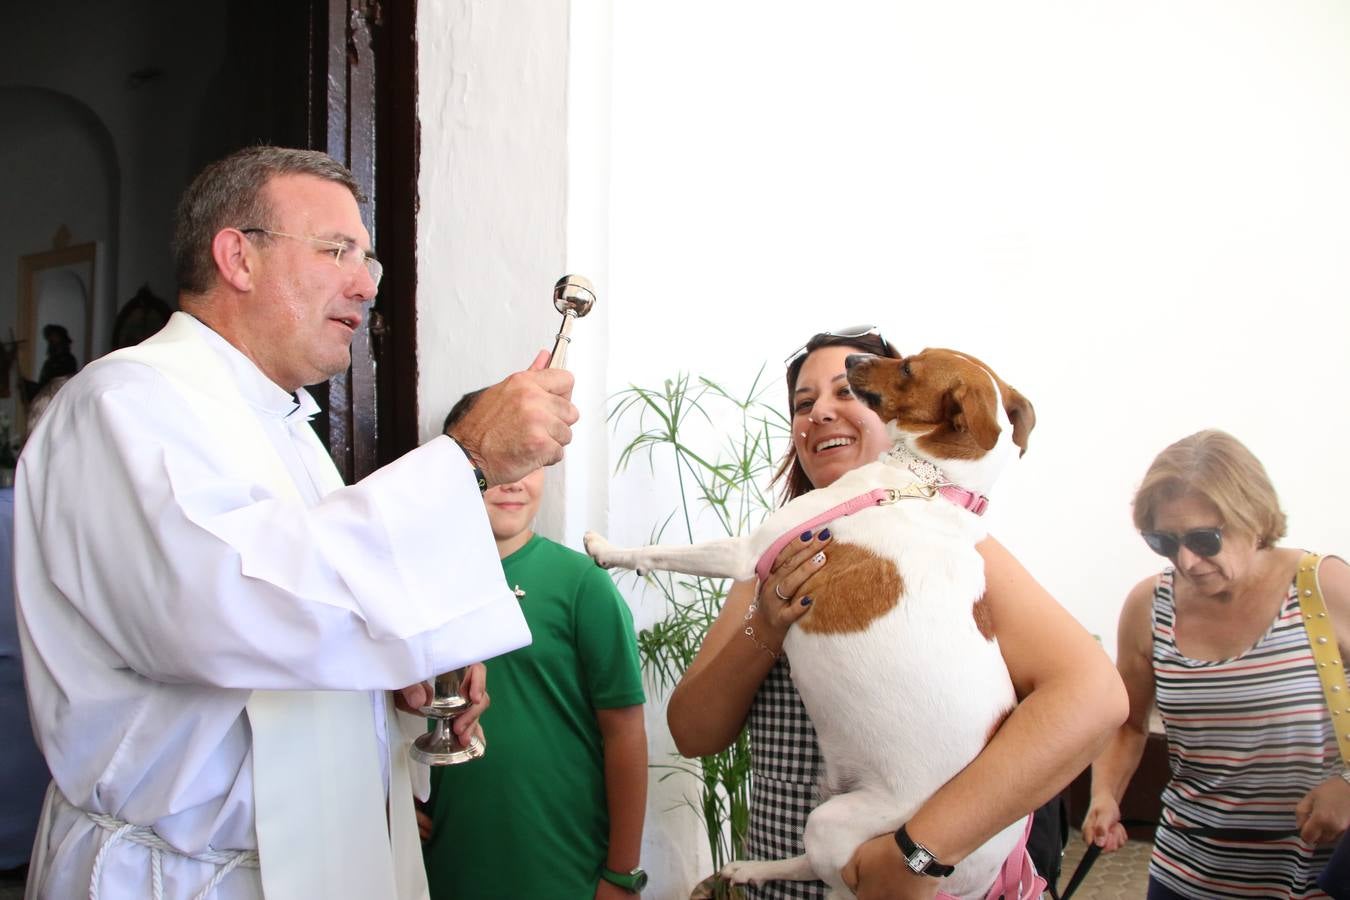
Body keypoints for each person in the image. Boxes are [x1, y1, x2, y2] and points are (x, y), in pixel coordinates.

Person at [14, 146, 579, 900]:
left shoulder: (284, 426)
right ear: (237, 257)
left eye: (368, 258)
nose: (367, 284)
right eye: (337, 251)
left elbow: (306, 610)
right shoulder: (125, 404)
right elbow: (219, 608)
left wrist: (397, 666)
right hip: (176, 878)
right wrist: (468, 455)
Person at [666, 327, 1127, 900]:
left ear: (906, 418)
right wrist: (768, 623)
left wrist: (913, 854)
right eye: (803, 405)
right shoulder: (771, 559)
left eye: (849, 393)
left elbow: (1095, 698)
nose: (822, 414)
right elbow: (692, 733)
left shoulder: (952, 548)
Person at [1082, 430, 1350, 899]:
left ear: (1253, 516)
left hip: (1311, 876)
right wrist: (1105, 794)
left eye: (1204, 539)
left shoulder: (1323, 588)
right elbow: (1127, 723)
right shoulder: (1149, 606)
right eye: (1163, 541)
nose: (1186, 560)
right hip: (1185, 873)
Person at [417, 390, 648, 900]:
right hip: (448, 869)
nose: (514, 481)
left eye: (531, 462)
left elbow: (626, 736)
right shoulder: (420, 585)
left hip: (562, 868)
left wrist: (622, 874)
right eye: (500, 461)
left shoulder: (582, 586)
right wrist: (396, 799)